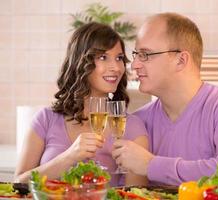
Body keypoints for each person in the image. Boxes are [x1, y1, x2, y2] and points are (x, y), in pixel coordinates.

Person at [111, 13, 218, 186]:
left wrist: (151, 165)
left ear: (181, 60)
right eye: (136, 54)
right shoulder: (139, 122)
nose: (135, 65)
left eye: (145, 54)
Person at [14, 22, 148, 186]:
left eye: (119, 58)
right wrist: (69, 156)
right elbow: (19, 183)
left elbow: (136, 194)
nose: (116, 67)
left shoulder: (133, 127)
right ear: (81, 62)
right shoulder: (45, 119)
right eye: (102, 57)